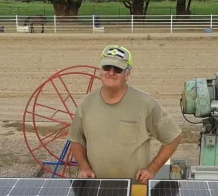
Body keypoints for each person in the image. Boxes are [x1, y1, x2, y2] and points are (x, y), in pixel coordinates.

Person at [68, 44, 182, 184]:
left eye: (117, 69)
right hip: (96, 187)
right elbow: (76, 140)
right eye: (106, 67)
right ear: (100, 71)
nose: (111, 73)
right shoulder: (86, 104)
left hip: (134, 188)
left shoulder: (145, 104)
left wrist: (152, 169)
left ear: (127, 74)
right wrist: (84, 168)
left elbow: (173, 136)